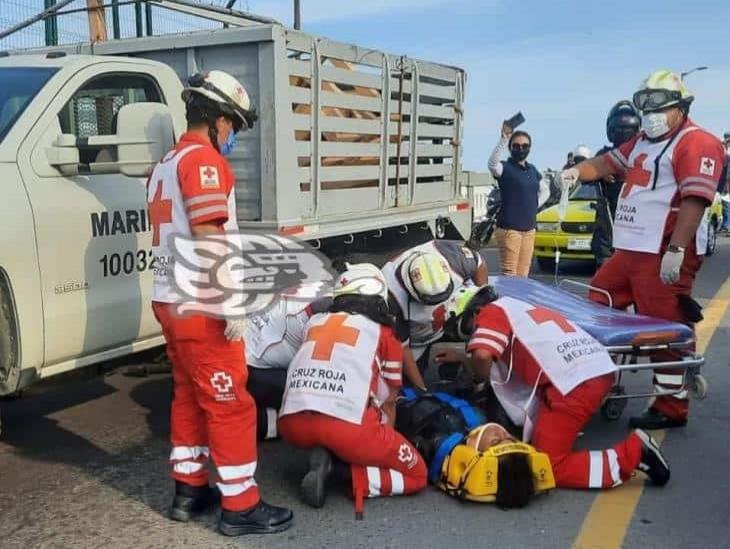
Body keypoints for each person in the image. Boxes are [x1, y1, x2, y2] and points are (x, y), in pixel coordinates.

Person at [147, 70, 293, 536]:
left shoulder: (165, 164)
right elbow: (209, 233)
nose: (233, 136)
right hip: (203, 304)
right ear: (216, 119)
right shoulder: (204, 162)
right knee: (231, 403)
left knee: (190, 395)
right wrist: (229, 303)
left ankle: (189, 490)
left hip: (169, 299)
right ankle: (241, 505)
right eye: (233, 125)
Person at [559, 70, 726, 429]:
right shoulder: (641, 142)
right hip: (630, 250)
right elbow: (607, 163)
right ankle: (599, 379)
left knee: (664, 328)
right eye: (645, 106)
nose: (650, 115)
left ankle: (671, 406)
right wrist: (577, 172)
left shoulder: (697, 142)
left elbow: (695, 199)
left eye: (659, 107)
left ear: (680, 108)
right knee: (598, 304)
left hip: (663, 251)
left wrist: (677, 250)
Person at [450, 287, 671, 490]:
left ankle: (633, 454)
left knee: (546, 466)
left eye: (469, 328)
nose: (472, 334)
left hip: (574, 384)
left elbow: (482, 355)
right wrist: (463, 358)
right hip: (591, 368)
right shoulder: (516, 304)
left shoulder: (490, 313)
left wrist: (478, 380)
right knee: (537, 440)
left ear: (476, 311)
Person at [278, 263, 427, 516]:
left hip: (292, 425)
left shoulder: (315, 321)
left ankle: (329, 453)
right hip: (347, 430)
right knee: (417, 474)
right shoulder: (385, 333)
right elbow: (388, 401)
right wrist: (378, 446)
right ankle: (345, 471)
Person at [381, 242, 486, 390]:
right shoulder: (391, 295)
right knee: (409, 384)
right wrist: (423, 391)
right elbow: (402, 349)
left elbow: (479, 264)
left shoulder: (452, 256)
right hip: (417, 338)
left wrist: (480, 297)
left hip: (452, 316)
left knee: (477, 324)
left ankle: (462, 374)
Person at [244, 284, 332, 440]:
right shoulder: (318, 327)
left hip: (241, 332)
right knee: (321, 391)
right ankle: (272, 424)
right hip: (247, 368)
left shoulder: (319, 286)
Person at [487, 123, 550, 277]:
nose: (520, 149)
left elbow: (545, 190)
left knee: (523, 274)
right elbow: (492, 164)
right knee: (510, 274)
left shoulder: (532, 170)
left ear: (529, 148)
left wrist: (535, 205)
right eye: (516, 145)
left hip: (529, 229)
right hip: (510, 230)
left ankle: (520, 301)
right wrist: (503, 139)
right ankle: (507, 300)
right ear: (510, 147)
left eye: (524, 146)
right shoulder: (505, 168)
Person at [590, 101, 641, 266]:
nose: (624, 135)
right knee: (604, 277)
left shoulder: (643, 156)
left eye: (628, 131)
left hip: (637, 227)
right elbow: (587, 174)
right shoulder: (604, 156)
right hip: (608, 227)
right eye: (620, 130)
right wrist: (601, 174)